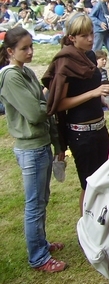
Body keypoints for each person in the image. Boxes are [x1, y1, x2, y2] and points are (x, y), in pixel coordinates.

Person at [0, 27, 67, 273]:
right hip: (31, 149)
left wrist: (58, 144)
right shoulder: (10, 76)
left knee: (41, 200)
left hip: (41, 145)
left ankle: (41, 244)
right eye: (24, 48)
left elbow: (44, 109)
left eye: (31, 46)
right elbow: (36, 112)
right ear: (10, 51)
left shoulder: (26, 72)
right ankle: (38, 257)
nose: (30, 52)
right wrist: (48, 101)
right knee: (34, 204)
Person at [42, 14, 109, 214]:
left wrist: (105, 100)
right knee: (89, 184)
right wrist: (93, 93)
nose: (90, 39)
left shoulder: (91, 56)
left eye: (91, 34)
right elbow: (59, 104)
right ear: (72, 38)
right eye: (84, 35)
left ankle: (103, 224)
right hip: (80, 133)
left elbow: (93, 90)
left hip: (99, 127)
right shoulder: (65, 63)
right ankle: (86, 227)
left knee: (106, 178)